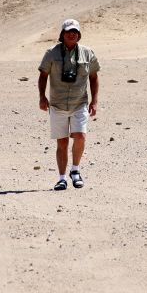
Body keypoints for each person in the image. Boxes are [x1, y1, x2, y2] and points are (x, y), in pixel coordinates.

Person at [38, 18, 100, 190]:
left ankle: (75, 170)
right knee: (62, 142)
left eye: (75, 31)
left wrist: (94, 101)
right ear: (62, 34)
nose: (71, 34)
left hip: (79, 103)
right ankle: (61, 178)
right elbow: (43, 76)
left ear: (79, 34)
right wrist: (42, 97)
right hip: (57, 104)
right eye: (68, 31)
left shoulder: (88, 53)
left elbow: (94, 77)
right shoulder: (51, 53)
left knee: (80, 136)